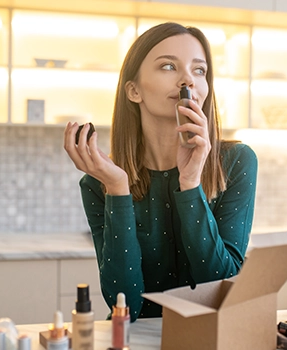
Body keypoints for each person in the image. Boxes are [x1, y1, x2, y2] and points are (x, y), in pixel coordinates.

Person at [64, 22, 258, 322]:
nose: (187, 81)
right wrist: (118, 188)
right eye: (168, 66)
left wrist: (191, 183)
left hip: (209, 336)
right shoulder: (99, 183)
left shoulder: (236, 162)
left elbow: (222, 289)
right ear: (134, 90)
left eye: (199, 70)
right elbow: (125, 306)